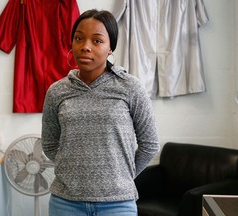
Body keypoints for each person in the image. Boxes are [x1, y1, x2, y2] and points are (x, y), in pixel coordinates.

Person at [41, 9, 159, 216]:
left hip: (118, 204)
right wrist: (71, 169)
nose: (85, 47)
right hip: (66, 203)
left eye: (97, 41)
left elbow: (150, 144)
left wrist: (122, 176)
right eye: (79, 38)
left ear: (110, 48)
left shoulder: (130, 87)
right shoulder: (57, 91)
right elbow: (50, 144)